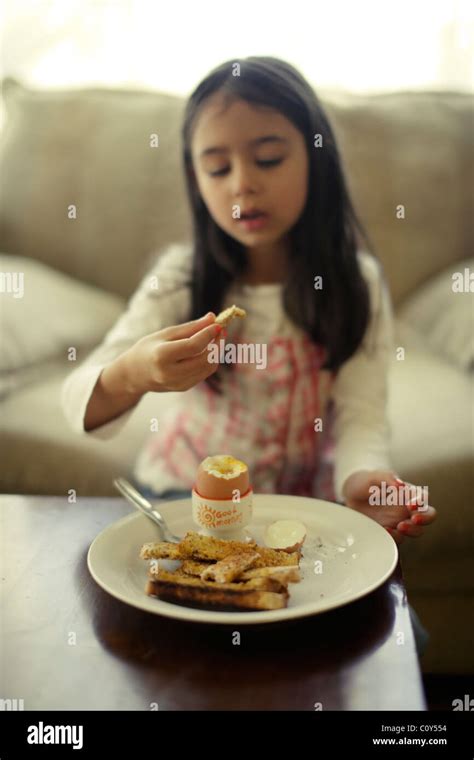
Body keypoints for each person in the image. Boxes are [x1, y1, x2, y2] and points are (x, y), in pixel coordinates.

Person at [61, 56, 437, 548]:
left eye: (268, 159)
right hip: (182, 501)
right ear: (196, 179)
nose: (242, 184)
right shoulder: (179, 279)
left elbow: (361, 414)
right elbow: (76, 404)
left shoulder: (356, 282)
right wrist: (135, 373)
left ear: (316, 158)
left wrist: (363, 478)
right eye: (217, 167)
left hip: (301, 510)